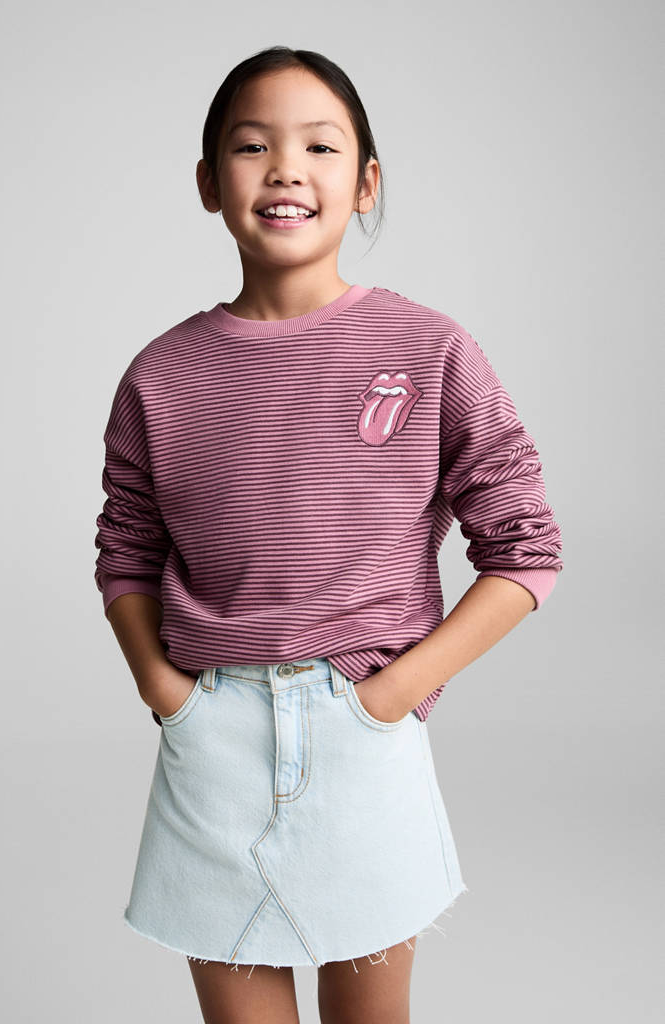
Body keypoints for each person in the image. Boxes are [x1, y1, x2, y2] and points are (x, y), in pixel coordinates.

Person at [93, 45, 564, 1024]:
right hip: (210, 740)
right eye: (251, 146)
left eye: (319, 146)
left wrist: (391, 695)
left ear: (366, 183)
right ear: (207, 182)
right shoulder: (160, 375)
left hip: (363, 733)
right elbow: (127, 548)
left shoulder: (429, 349)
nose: (284, 169)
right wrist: (163, 692)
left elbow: (524, 549)